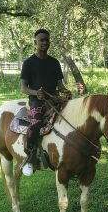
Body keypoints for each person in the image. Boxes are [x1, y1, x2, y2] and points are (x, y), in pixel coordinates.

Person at [20, 28, 72, 176]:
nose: (45, 42)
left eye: (47, 40)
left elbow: (60, 85)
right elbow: (23, 88)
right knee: (36, 123)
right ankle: (29, 156)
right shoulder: (29, 63)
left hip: (54, 100)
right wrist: (36, 92)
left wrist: (65, 92)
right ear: (35, 42)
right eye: (41, 40)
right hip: (37, 102)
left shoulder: (54, 63)